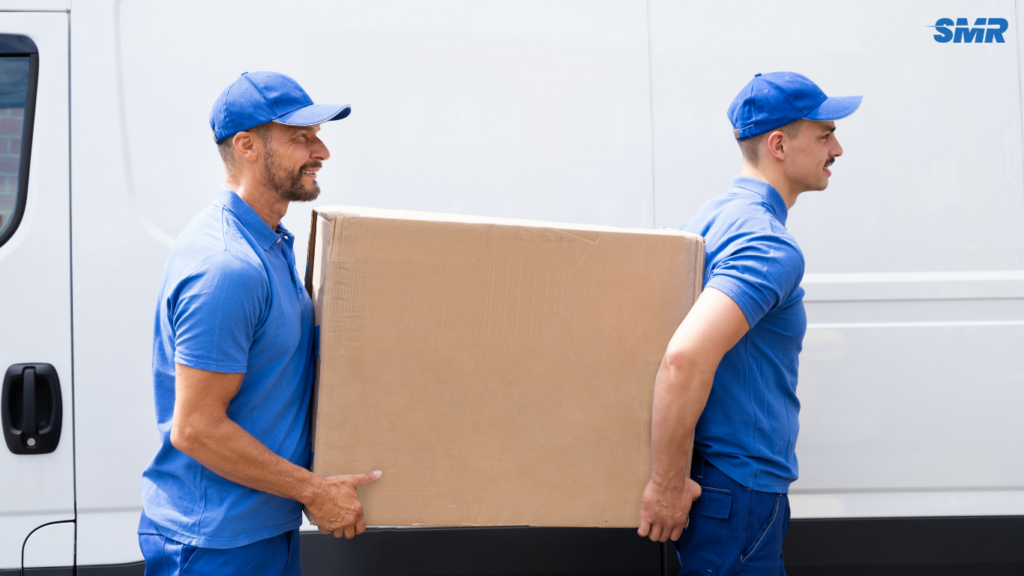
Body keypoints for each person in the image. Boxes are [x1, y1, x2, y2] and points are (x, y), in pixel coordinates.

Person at [138, 71, 381, 575]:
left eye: (317, 136)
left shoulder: (269, 243)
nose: (321, 152)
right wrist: (315, 491)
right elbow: (196, 428)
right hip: (217, 545)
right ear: (247, 146)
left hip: (262, 528)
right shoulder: (228, 267)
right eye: (301, 138)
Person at [637, 72, 861, 575]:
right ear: (779, 145)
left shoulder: (714, 217)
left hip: (724, 486)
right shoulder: (767, 244)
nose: (837, 149)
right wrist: (666, 483)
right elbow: (684, 358)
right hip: (739, 490)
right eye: (825, 135)